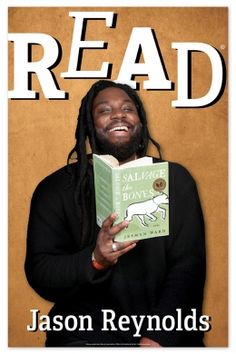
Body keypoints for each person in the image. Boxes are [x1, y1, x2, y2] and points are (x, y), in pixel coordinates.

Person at [25, 80, 206, 347]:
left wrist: (158, 338)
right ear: (89, 124)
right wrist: (95, 259)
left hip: (166, 332)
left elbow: (188, 267)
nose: (118, 115)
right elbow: (41, 273)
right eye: (104, 110)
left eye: (127, 108)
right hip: (84, 334)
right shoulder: (55, 189)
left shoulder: (175, 180)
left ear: (140, 122)